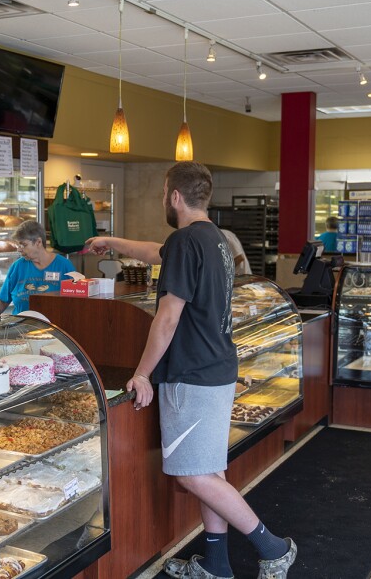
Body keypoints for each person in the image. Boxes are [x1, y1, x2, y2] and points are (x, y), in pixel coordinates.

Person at [86, 162, 296, 579]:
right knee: (210, 471)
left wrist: (143, 373)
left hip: (191, 374)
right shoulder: (212, 237)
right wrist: (110, 242)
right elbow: (151, 250)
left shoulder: (186, 241)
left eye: (164, 193)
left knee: (194, 475)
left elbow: (166, 318)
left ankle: (272, 547)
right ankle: (216, 566)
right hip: (217, 368)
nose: (164, 199)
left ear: (174, 196)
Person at [0, 220, 76, 315]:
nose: (19, 249)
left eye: (23, 245)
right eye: (18, 245)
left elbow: (75, 302)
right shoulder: (18, 266)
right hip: (21, 327)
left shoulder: (64, 266)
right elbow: (3, 301)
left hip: (53, 327)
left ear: (38, 242)